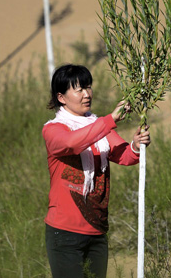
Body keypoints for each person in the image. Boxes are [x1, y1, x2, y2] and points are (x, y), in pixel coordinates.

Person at [43, 64, 150, 277]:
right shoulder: (54, 129)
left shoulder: (97, 125)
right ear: (61, 97)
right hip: (64, 233)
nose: (86, 94)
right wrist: (110, 119)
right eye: (79, 89)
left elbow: (124, 155)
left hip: (97, 231)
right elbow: (72, 144)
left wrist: (136, 145)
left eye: (88, 87)